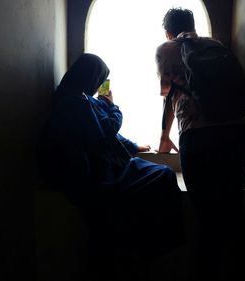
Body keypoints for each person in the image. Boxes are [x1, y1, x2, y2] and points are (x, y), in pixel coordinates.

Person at [37, 53, 185, 280]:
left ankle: (144, 251)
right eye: (99, 79)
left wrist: (135, 145)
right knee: (163, 176)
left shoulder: (81, 98)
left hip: (102, 168)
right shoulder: (74, 103)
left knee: (160, 176)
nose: (99, 85)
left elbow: (109, 135)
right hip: (98, 177)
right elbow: (102, 134)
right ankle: (153, 250)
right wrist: (114, 108)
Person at [155, 8, 245, 281]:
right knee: (234, 213)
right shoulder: (216, 46)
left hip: (199, 138)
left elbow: (169, 93)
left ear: (168, 32)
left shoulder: (166, 49)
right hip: (237, 133)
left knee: (207, 218)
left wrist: (164, 136)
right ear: (193, 25)